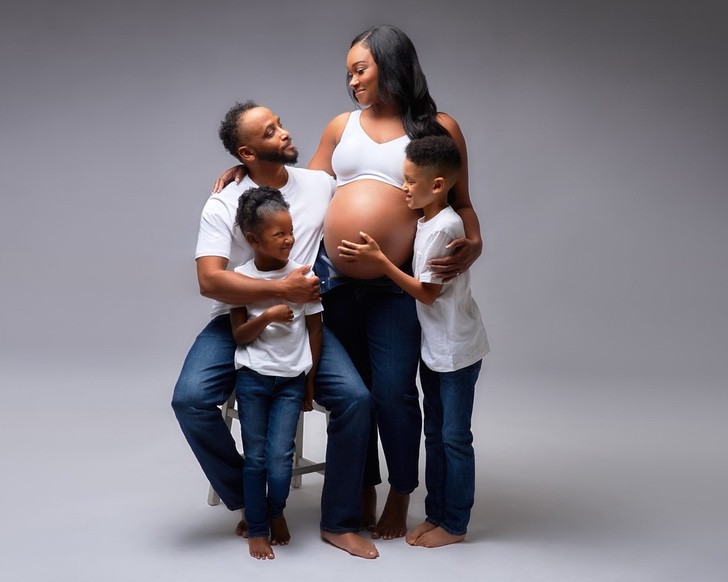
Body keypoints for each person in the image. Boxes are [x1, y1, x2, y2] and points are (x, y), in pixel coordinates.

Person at [214, 24, 483, 540]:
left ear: (391, 63)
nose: (352, 80)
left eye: (361, 69)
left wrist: (474, 243)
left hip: (393, 286)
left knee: (394, 393)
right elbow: (295, 188)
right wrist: (243, 171)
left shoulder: (436, 126)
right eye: (348, 73)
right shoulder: (342, 126)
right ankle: (362, 489)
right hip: (333, 281)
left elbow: (463, 204)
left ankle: (402, 492)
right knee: (354, 395)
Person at [172, 101, 379, 559]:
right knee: (189, 400)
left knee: (356, 400)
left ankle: (340, 522)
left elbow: (374, 177)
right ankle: (253, 500)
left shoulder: (318, 184)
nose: (285, 133)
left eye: (281, 123)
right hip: (238, 320)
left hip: (303, 325)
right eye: (270, 132)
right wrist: (280, 288)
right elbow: (209, 280)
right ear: (247, 152)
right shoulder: (224, 203)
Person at [338, 135, 489, 548]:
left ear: (437, 186)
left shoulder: (446, 226)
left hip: (457, 349)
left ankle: (454, 524)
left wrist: (381, 261)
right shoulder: (426, 221)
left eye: (409, 181)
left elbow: (427, 292)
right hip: (435, 347)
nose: (402, 188)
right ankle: (437, 514)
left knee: (455, 437)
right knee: (436, 435)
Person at [229, 186, 323, 560]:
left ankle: (275, 510)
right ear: (253, 240)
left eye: (290, 231)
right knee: (255, 458)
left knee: (281, 458)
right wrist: (267, 314)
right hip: (252, 379)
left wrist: (310, 382)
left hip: (290, 381)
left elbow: (315, 329)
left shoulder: (303, 275)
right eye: (278, 234)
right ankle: (257, 528)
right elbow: (239, 334)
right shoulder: (240, 279)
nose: (289, 239)